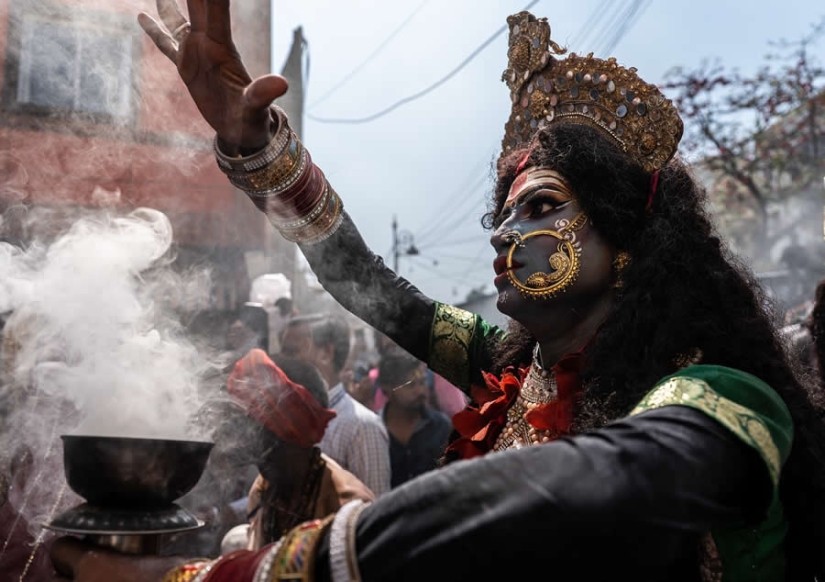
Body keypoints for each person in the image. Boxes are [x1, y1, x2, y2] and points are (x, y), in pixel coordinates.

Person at [49, 4, 825, 581]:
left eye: (542, 208)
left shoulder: (721, 397)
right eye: (504, 213)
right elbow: (366, 282)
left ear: (629, 242)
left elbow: (587, 489)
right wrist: (256, 150)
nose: (500, 234)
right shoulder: (509, 370)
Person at [216, 350, 374, 552]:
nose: (253, 451)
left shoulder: (349, 509)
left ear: (292, 434)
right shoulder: (262, 489)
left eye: (262, 436)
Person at [280, 314, 391, 496]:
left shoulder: (361, 427)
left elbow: (373, 511)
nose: (281, 363)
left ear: (326, 353)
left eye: (291, 352)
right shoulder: (285, 419)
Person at [376, 354, 452, 488]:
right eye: (410, 385)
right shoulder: (374, 430)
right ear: (389, 389)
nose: (420, 391)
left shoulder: (441, 426)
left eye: (422, 382)